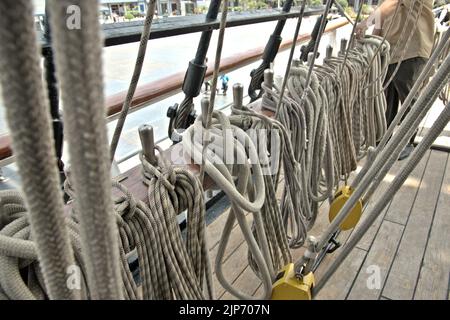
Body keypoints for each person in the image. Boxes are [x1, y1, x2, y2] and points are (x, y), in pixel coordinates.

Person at [355, 0, 435, 160]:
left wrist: (365, 22)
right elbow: (383, 12)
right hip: (390, 48)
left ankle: (407, 141)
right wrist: (374, 39)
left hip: (411, 47)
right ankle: (384, 140)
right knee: (386, 97)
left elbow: (393, 2)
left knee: (408, 98)